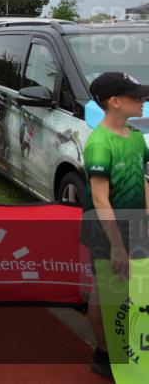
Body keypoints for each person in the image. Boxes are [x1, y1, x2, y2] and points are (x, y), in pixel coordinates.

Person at [81, 72, 149, 378]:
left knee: (134, 287)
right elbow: (100, 199)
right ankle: (104, 352)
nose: (143, 101)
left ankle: (132, 345)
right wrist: (118, 247)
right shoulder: (99, 143)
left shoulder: (135, 138)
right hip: (107, 227)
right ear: (115, 102)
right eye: (136, 97)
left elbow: (143, 180)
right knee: (105, 289)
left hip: (135, 224)